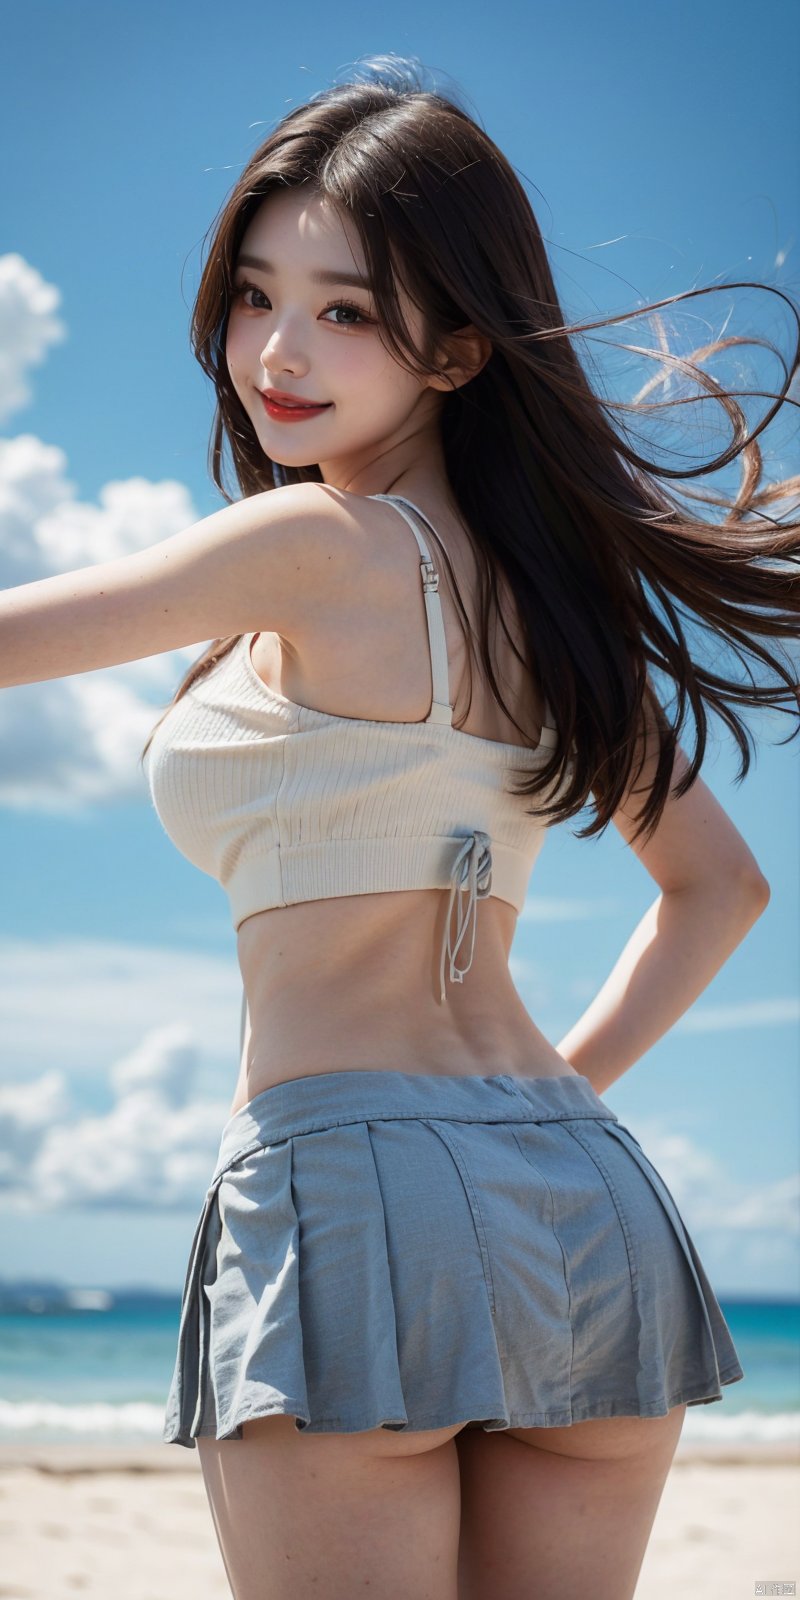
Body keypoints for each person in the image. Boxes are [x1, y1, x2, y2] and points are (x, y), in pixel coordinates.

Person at [4, 52, 799, 1600]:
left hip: (348, 1187)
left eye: (348, 307)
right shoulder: (556, 609)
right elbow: (720, 888)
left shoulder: (316, 539)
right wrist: (546, 1098)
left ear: (458, 349)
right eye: (253, 291)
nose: (278, 349)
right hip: (586, 1198)